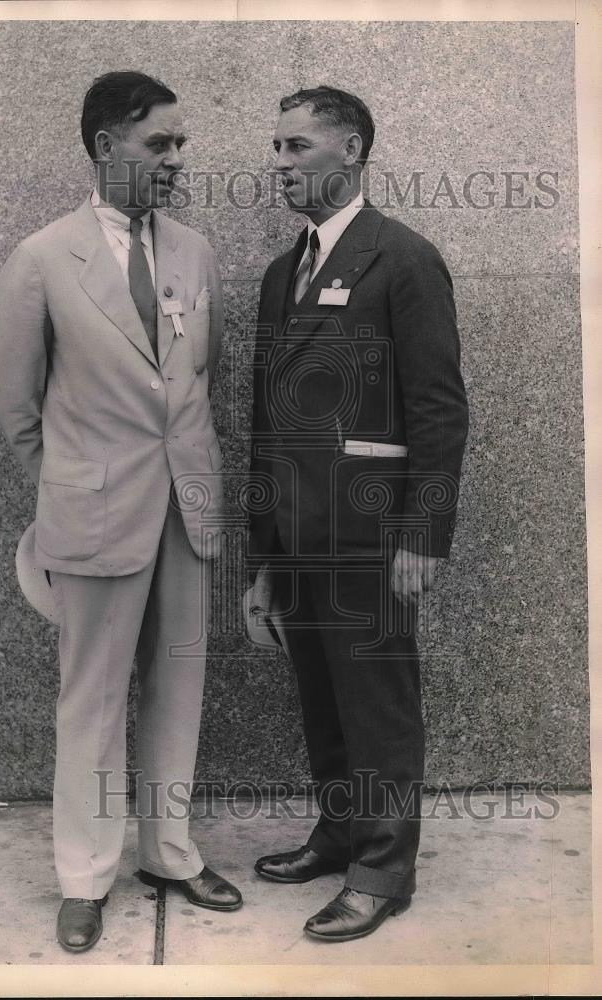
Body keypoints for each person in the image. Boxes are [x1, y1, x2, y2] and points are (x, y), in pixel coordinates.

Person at [0, 71, 241, 955]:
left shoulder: (194, 253)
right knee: (91, 703)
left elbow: (197, 383)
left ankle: (169, 852)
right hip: (95, 519)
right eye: (159, 145)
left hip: (188, 512)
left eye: (181, 144)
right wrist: (77, 482)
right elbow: (17, 408)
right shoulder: (42, 258)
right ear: (107, 147)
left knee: (179, 689)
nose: (178, 160)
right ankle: (84, 875)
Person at [247, 86, 468, 942]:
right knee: (323, 697)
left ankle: (383, 867)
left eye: (298, 147)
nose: (282, 165)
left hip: (371, 535)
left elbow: (441, 409)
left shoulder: (403, 260)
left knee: (376, 700)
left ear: (351, 151)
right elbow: (268, 427)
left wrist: (425, 534)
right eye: (277, 148)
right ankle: (340, 832)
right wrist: (264, 560)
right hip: (299, 537)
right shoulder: (282, 274)